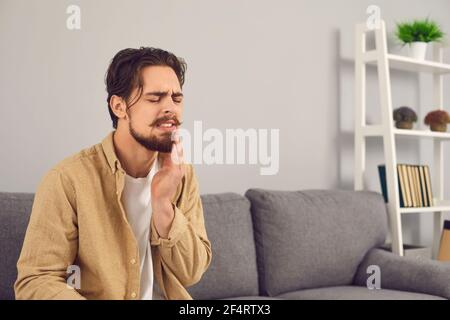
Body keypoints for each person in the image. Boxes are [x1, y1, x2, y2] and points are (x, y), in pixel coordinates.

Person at [14, 47, 212, 300]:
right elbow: (36, 282)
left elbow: (191, 272)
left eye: (176, 98)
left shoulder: (182, 175)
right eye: (155, 98)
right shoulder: (68, 179)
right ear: (119, 106)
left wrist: (164, 206)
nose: (170, 108)